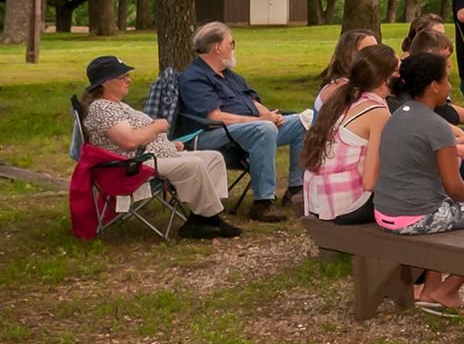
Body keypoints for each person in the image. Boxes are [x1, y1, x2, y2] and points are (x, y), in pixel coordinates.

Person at [374, 52, 464, 315]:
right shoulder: (437, 126)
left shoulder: (396, 116)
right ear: (433, 86)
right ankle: (446, 291)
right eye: (447, 81)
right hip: (414, 217)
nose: (449, 87)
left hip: (385, 213)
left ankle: (430, 289)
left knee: (449, 211)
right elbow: (454, 186)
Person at [78, 55, 242, 239]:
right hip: (132, 166)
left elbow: (135, 136)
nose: (128, 80)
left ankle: (200, 218)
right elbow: (129, 141)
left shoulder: (116, 105)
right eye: (122, 77)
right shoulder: (102, 108)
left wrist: (168, 144)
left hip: (153, 157)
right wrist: (156, 127)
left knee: (213, 158)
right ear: (106, 82)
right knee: (194, 165)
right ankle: (210, 219)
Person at [177, 22, 304, 222]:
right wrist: (261, 120)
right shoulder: (194, 78)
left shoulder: (229, 75)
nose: (233, 48)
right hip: (210, 136)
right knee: (264, 129)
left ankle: (296, 190)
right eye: (231, 42)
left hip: (249, 128)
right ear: (217, 47)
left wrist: (269, 114)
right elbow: (215, 117)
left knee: (303, 121)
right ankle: (262, 203)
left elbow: (251, 99)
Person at [396, 25, 464, 193]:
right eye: (445, 58)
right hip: (419, 181)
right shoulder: (413, 92)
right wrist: (460, 145)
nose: (450, 64)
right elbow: (428, 126)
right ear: (430, 55)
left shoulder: (423, 86)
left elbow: (445, 112)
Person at [302, 45, 397, 224]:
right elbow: (370, 182)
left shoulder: (345, 99)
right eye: (398, 71)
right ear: (386, 78)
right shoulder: (377, 113)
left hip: (319, 200)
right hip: (345, 205)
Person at [315, 29, 379, 110]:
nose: (376, 56)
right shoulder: (341, 90)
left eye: (377, 50)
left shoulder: (358, 86)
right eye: (368, 51)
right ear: (348, 55)